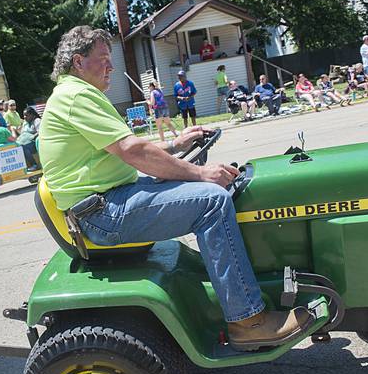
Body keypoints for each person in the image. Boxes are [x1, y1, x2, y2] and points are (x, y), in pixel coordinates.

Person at [39, 25, 314, 350]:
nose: (110, 66)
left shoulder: (75, 94)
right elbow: (132, 152)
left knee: (196, 186)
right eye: (102, 59)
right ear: (78, 61)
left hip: (104, 202)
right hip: (104, 213)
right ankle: (247, 320)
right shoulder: (76, 96)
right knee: (212, 200)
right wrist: (199, 173)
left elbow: (124, 149)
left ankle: (234, 288)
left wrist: (175, 144)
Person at [16, 106, 42, 171]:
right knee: (17, 146)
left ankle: (34, 165)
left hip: (33, 141)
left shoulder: (37, 121)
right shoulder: (25, 123)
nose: (24, 117)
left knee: (23, 147)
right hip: (25, 141)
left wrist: (33, 137)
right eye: (24, 115)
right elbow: (22, 133)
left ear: (32, 115)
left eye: (26, 115)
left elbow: (40, 132)